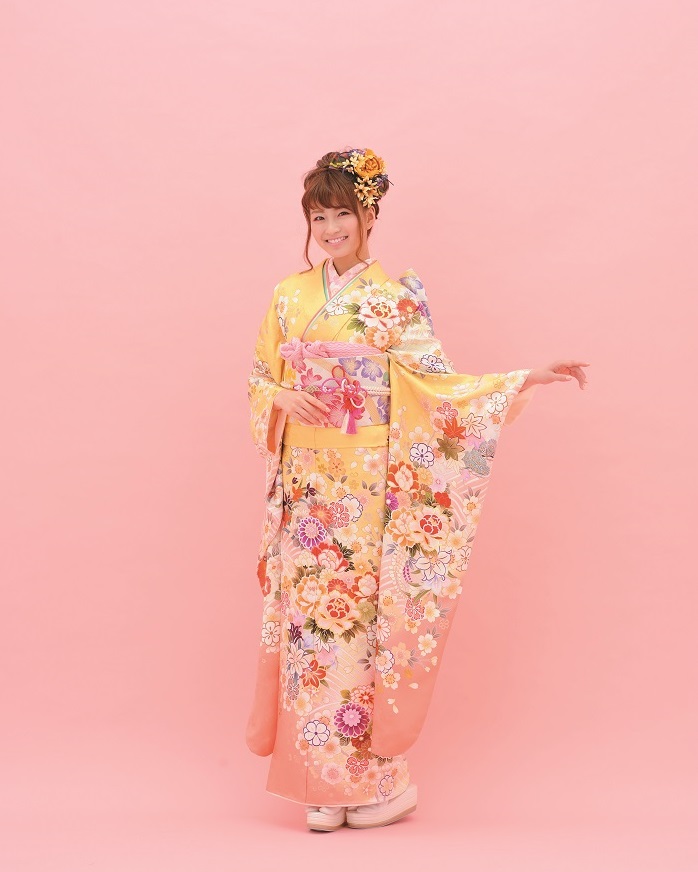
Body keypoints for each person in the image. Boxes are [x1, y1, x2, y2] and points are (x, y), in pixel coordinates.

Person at [245, 148, 589, 832]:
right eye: (319, 217)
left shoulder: (395, 299)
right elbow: (259, 376)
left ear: (369, 215)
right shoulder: (288, 295)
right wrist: (280, 395)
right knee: (312, 625)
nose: (330, 228)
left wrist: (520, 379)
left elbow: (438, 385)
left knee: (360, 624)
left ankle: (373, 783)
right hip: (307, 487)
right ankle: (321, 785)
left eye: (342, 213)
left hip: (368, 487)